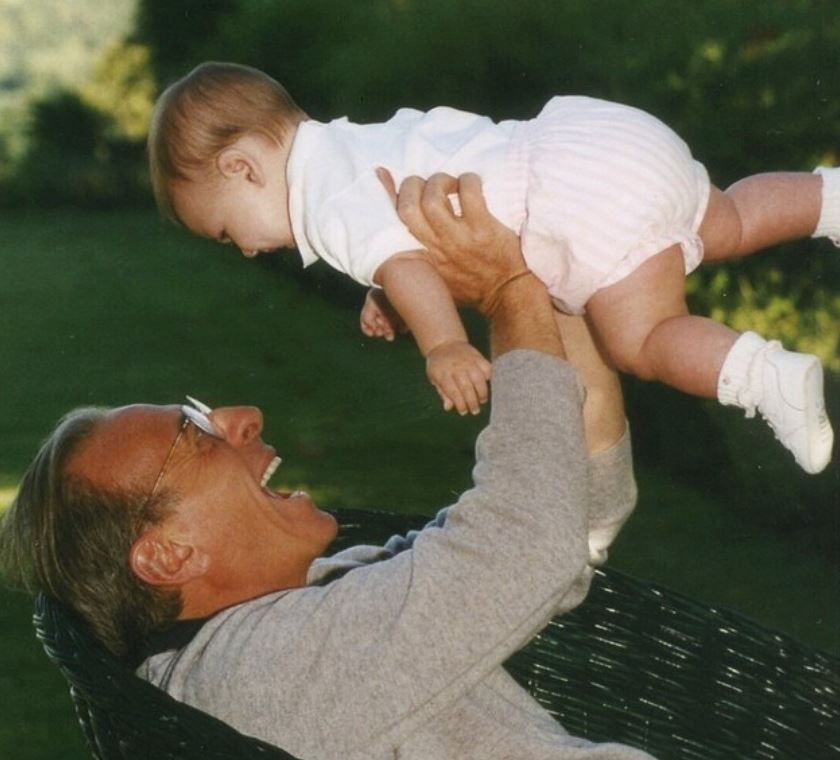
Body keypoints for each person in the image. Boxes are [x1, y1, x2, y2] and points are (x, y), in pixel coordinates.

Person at [0, 173, 651, 759]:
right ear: (168, 556)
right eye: (194, 433)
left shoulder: (305, 611)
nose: (244, 416)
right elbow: (528, 543)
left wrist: (548, 285)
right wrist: (508, 289)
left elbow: (568, 519)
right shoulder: (258, 672)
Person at [147, 61, 835, 474]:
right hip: (598, 139)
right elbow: (404, 247)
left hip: (574, 199)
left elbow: (405, 262)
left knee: (644, 339)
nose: (245, 248)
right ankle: (827, 199)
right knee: (730, 221)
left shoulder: (323, 204)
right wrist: (387, 289)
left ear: (241, 167)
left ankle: (767, 376)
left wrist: (444, 344)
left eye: (227, 231)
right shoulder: (346, 143)